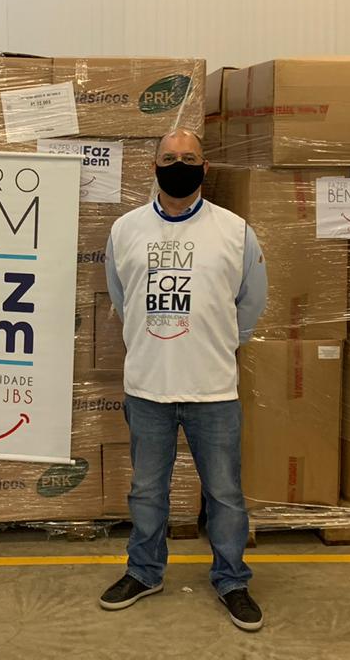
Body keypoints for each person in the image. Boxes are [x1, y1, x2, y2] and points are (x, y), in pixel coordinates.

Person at [97, 127, 269, 631]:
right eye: (170, 158)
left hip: (212, 389)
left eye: (190, 158)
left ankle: (232, 580)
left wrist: (216, 343)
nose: (179, 166)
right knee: (147, 491)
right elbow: (122, 297)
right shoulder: (125, 231)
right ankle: (144, 572)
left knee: (225, 494)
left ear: (205, 168)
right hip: (147, 386)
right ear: (153, 166)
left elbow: (251, 303)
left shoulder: (235, 232)